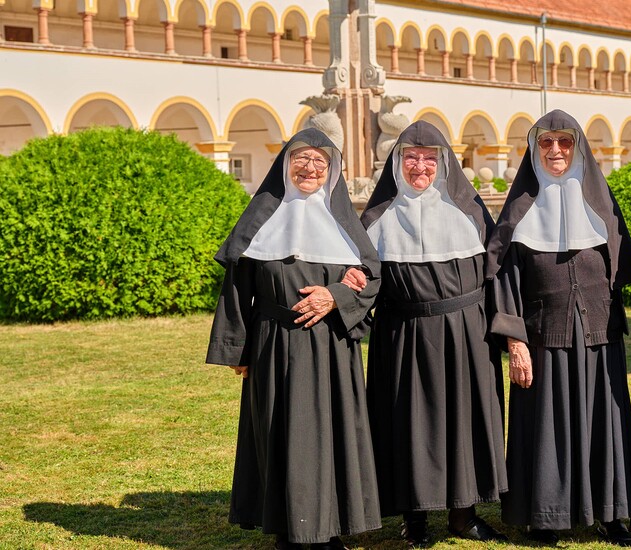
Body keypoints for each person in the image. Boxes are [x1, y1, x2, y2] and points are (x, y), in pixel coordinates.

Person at [206, 128, 382, 550]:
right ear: (285, 166)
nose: (310, 168)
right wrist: (238, 348)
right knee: (278, 431)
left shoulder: (343, 224)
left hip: (329, 345)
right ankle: (287, 528)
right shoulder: (260, 220)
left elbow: (373, 278)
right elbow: (236, 286)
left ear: (331, 171)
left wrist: (335, 295)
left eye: (320, 162)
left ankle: (331, 526)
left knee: (331, 431)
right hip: (273, 342)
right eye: (301, 159)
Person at [485, 109, 631, 545]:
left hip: (599, 333)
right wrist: (515, 341)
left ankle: (612, 515)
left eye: (565, 142)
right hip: (543, 336)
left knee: (604, 423)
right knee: (547, 427)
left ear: (578, 148)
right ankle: (547, 516)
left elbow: (620, 266)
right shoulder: (519, 208)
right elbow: (502, 278)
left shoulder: (601, 203)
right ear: (535, 149)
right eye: (546, 142)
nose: (556, 150)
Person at [361, 121, 508, 545]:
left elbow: (498, 275)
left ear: (444, 163)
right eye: (411, 158)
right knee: (410, 426)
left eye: (429, 158)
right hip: (403, 334)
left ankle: (464, 513)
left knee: (465, 422)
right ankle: (415, 518)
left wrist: (505, 332)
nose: (420, 166)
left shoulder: (471, 212)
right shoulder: (377, 217)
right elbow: (359, 279)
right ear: (397, 163)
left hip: (466, 334)